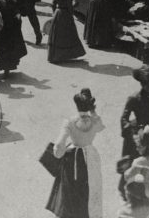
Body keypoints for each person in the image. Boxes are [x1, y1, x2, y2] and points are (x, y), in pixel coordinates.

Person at [46, 89, 104, 218]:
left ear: (76, 105)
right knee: (90, 190)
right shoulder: (94, 120)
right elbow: (100, 127)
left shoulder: (70, 122)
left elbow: (59, 147)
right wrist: (93, 111)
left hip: (73, 158)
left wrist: (57, 153)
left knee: (69, 193)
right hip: (90, 157)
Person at [120, 66, 149, 158]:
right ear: (142, 84)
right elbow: (124, 118)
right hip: (138, 132)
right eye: (146, 84)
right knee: (135, 161)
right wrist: (130, 132)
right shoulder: (134, 98)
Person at [123, 128, 149, 218]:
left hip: (145, 191)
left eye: (139, 146)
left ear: (146, 147)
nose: (137, 148)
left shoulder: (139, 162)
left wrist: (126, 170)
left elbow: (127, 176)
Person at [47, 0, 85, 64]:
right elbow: (69, 7)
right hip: (65, 14)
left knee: (56, 35)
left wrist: (54, 14)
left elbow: (53, 4)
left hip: (57, 12)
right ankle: (65, 55)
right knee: (67, 35)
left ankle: (55, 55)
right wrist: (76, 5)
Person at [0, 0, 27, 75]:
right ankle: (2, 67)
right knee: (2, 49)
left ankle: (7, 69)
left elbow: (21, 11)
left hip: (13, 29)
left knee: (11, 49)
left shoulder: (16, 0)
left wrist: (19, 15)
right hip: (4, 30)